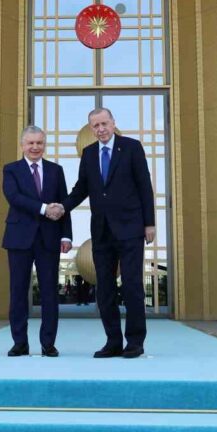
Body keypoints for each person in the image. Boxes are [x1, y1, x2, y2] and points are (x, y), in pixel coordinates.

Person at [49, 107, 155, 358]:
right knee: (105, 289)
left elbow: (144, 185)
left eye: (104, 124)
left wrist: (149, 223)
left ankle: (135, 342)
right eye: (95, 126)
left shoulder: (132, 147)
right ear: (91, 129)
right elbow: (80, 189)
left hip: (130, 228)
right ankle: (113, 341)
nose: (101, 129)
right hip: (102, 231)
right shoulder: (88, 154)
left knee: (131, 286)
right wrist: (62, 206)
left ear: (113, 123)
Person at [1, 126, 72, 357]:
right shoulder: (11, 170)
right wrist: (43, 208)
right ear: (22, 145)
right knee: (18, 291)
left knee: (50, 292)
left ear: (44, 144)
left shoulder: (56, 170)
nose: (35, 147)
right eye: (30, 143)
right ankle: (19, 343)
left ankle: (48, 344)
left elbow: (63, 204)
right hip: (19, 238)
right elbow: (14, 197)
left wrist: (66, 235)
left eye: (39, 143)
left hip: (49, 238)